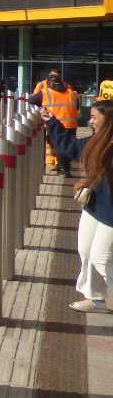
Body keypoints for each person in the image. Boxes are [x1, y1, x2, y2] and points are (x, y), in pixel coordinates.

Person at [44, 99, 113, 313]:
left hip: (110, 213)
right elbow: (72, 148)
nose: (90, 121)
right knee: (85, 250)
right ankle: (96, 298)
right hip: (94, 206)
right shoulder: (97, 140)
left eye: (94, 118)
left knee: (101, 256)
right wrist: (52, 122)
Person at [31, 72, 79, 177]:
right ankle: (65, 167)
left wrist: (42, 106)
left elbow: (31, 100)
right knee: (68, 145)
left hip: (55, 123)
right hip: (71, 124)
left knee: (58, 146)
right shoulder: (72, 93)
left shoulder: (46, 93)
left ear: (48, 82)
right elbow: (77, 106)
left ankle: (63, 169)